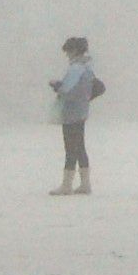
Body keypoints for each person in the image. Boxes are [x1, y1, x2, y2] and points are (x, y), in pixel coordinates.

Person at [47, 35, 102, 195]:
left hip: (71, 111)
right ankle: (85, 184)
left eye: (68, 52)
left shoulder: (76, 68)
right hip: (82, 111)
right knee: (80, 147)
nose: (67, 55)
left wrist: (57, 85)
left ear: (74, 50)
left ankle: (66, 185)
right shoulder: (87, 68)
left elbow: (67, 89)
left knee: (70, 147)